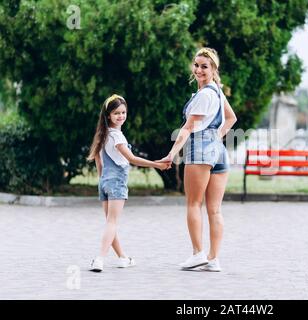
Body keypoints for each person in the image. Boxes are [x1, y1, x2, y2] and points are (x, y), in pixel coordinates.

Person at [157, 48, 237, 272]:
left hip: (200, 147)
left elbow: (188, 127)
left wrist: (171, 154)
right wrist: (215, 137)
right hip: (218, 150)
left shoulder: (204, 95)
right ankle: (213, 259)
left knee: (194, 204)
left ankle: (198, 254)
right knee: (215, 209)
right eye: (197, 65)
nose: (199, 69)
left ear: (213, 69)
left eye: (205, 66)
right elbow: (231, 118)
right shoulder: (217, 92)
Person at [87, 94, 170, 272]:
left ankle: (123, 258)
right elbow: (131, 158)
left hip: (104, 182)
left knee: (110, 222)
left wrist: (102, 180)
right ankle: (99, 259)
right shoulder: (117, 137)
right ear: (108, 115)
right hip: (116, 182)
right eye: (117, 113)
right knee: (112, 223)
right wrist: (156, 164)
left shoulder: (102, 135)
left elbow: (98, 161)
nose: (121, 116)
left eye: (124, 112)